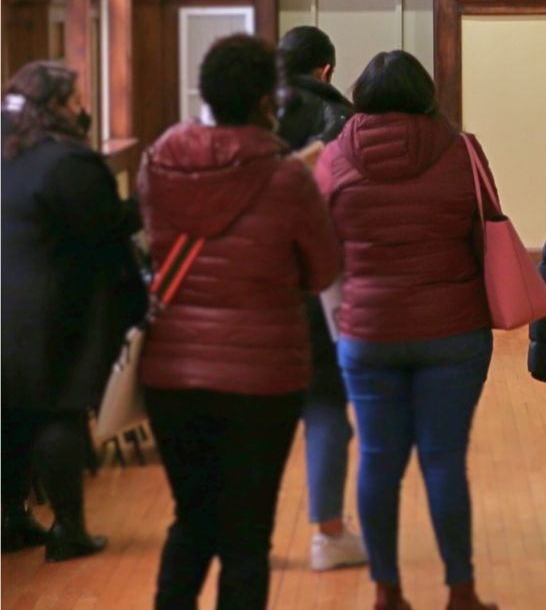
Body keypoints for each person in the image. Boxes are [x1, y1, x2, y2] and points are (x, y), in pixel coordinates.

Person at [139, 35, 341, 610]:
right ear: (266, 100)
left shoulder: (160, 159)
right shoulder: (287, 178)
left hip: (171, 373)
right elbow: (323, 270)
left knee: (192, 522)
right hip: (262, 377)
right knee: (246, 539)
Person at [317, 51, 499, 610]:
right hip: (454, 330)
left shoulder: (330, 159)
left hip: (368, 332)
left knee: (377, 460)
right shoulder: (462, 150)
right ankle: (461, 593)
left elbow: (321, 256)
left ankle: (387, 593)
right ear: (426, 93)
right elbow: (486, 233)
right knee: (444, 460)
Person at [2, 62, 143, 561]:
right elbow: (106, 226)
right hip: (52, 307)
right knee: (58, 411)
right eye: (77, 98)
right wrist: (143, 202)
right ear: (57, 107)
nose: (84, 107)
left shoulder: (7, 153)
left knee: (11, 413)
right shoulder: (66, 163)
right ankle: (68, 528)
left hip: (5, 308)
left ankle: (11, 518)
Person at [273, 26, 368, 572]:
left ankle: (249, 536)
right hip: (320, 287)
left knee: (254, 417)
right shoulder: (347, 123)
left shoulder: (245, 116)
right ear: (326, 71)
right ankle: (328, 537)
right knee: (326, 407)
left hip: (252, 287)